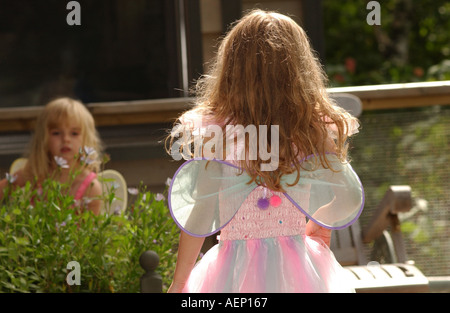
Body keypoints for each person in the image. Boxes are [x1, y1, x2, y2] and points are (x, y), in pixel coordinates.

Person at [166, 10, 363, 293]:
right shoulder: (310, 129)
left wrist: (179, 283)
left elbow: (200, 215)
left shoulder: (218, 133)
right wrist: (321, 222)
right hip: (299, 270)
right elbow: (350, 197)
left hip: (234, 271)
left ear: (231, 70)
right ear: (299, 69)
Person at [0, 97, 104, 215]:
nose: (66, 139)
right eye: (56, 133)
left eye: (74, 133)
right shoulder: (33, 173)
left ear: (87, 140)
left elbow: (90, 231)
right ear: (43, 139)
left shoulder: (90, 187)